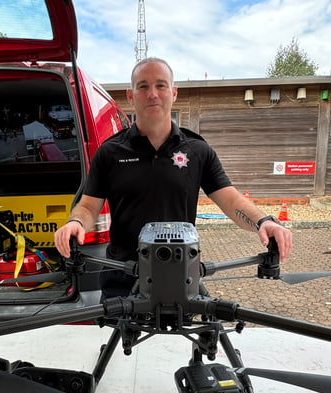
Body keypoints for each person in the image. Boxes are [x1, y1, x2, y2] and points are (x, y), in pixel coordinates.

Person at [54, 57, 292, 296]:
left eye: (161, 85)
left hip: (182, 274)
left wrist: (264, 221)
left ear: (173, 92)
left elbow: (231, 200)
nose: (153, 94)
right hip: (123, 277)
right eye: (143, 86)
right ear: (130, 95)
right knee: (122, 334)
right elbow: (88, 206)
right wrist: (75, 223)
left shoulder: (198, 150)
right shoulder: (109, 152)